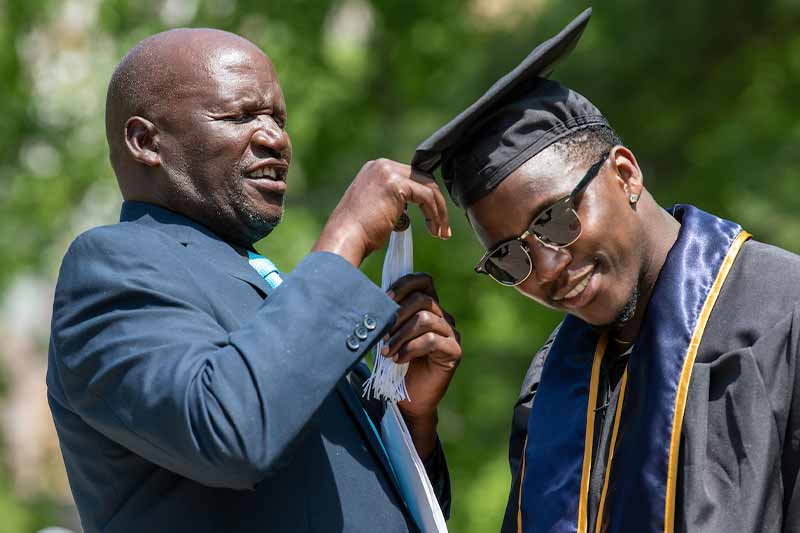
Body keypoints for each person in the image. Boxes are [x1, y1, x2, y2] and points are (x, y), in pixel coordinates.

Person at [47, 28, 462, 533]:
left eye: (278, 119)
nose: (275, 138)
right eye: (241, 116)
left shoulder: (267, 286)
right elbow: (230, 432)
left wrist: (408, 417)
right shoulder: (110, 268)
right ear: (146, 141)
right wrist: (346, 236)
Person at [413, 8, 800, 533]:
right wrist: (418, 425)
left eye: (555, 219)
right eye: (510, 255)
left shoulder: (784, 313)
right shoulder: (552, 381)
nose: (547, 267)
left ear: (624, 174)